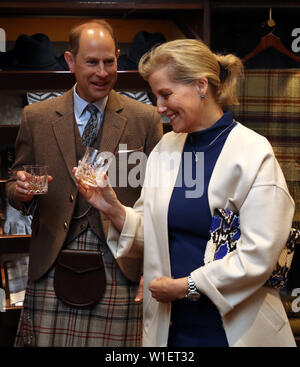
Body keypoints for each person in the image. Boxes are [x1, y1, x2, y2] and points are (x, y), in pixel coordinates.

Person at [76, 39, 297, 347]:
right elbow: (155, 234)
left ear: (200, 85)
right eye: (156, 96)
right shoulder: (167, 148)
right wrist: (113, 208)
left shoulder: (252, 153)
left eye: (165, 94)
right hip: (172, 328)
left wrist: (185, 287)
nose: (159, 107)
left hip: (234, 331)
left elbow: (259, 255)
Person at [6, 19, 163, 347]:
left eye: (110, 61)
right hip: (52, 260)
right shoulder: (37, 116)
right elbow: (17, 181)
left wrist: (155, 263)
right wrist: (20, 190)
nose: (102, 72)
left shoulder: (144, 119)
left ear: (119, 57)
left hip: (121, 263)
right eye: (91, 62)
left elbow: (159, 201)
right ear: (70, 61)